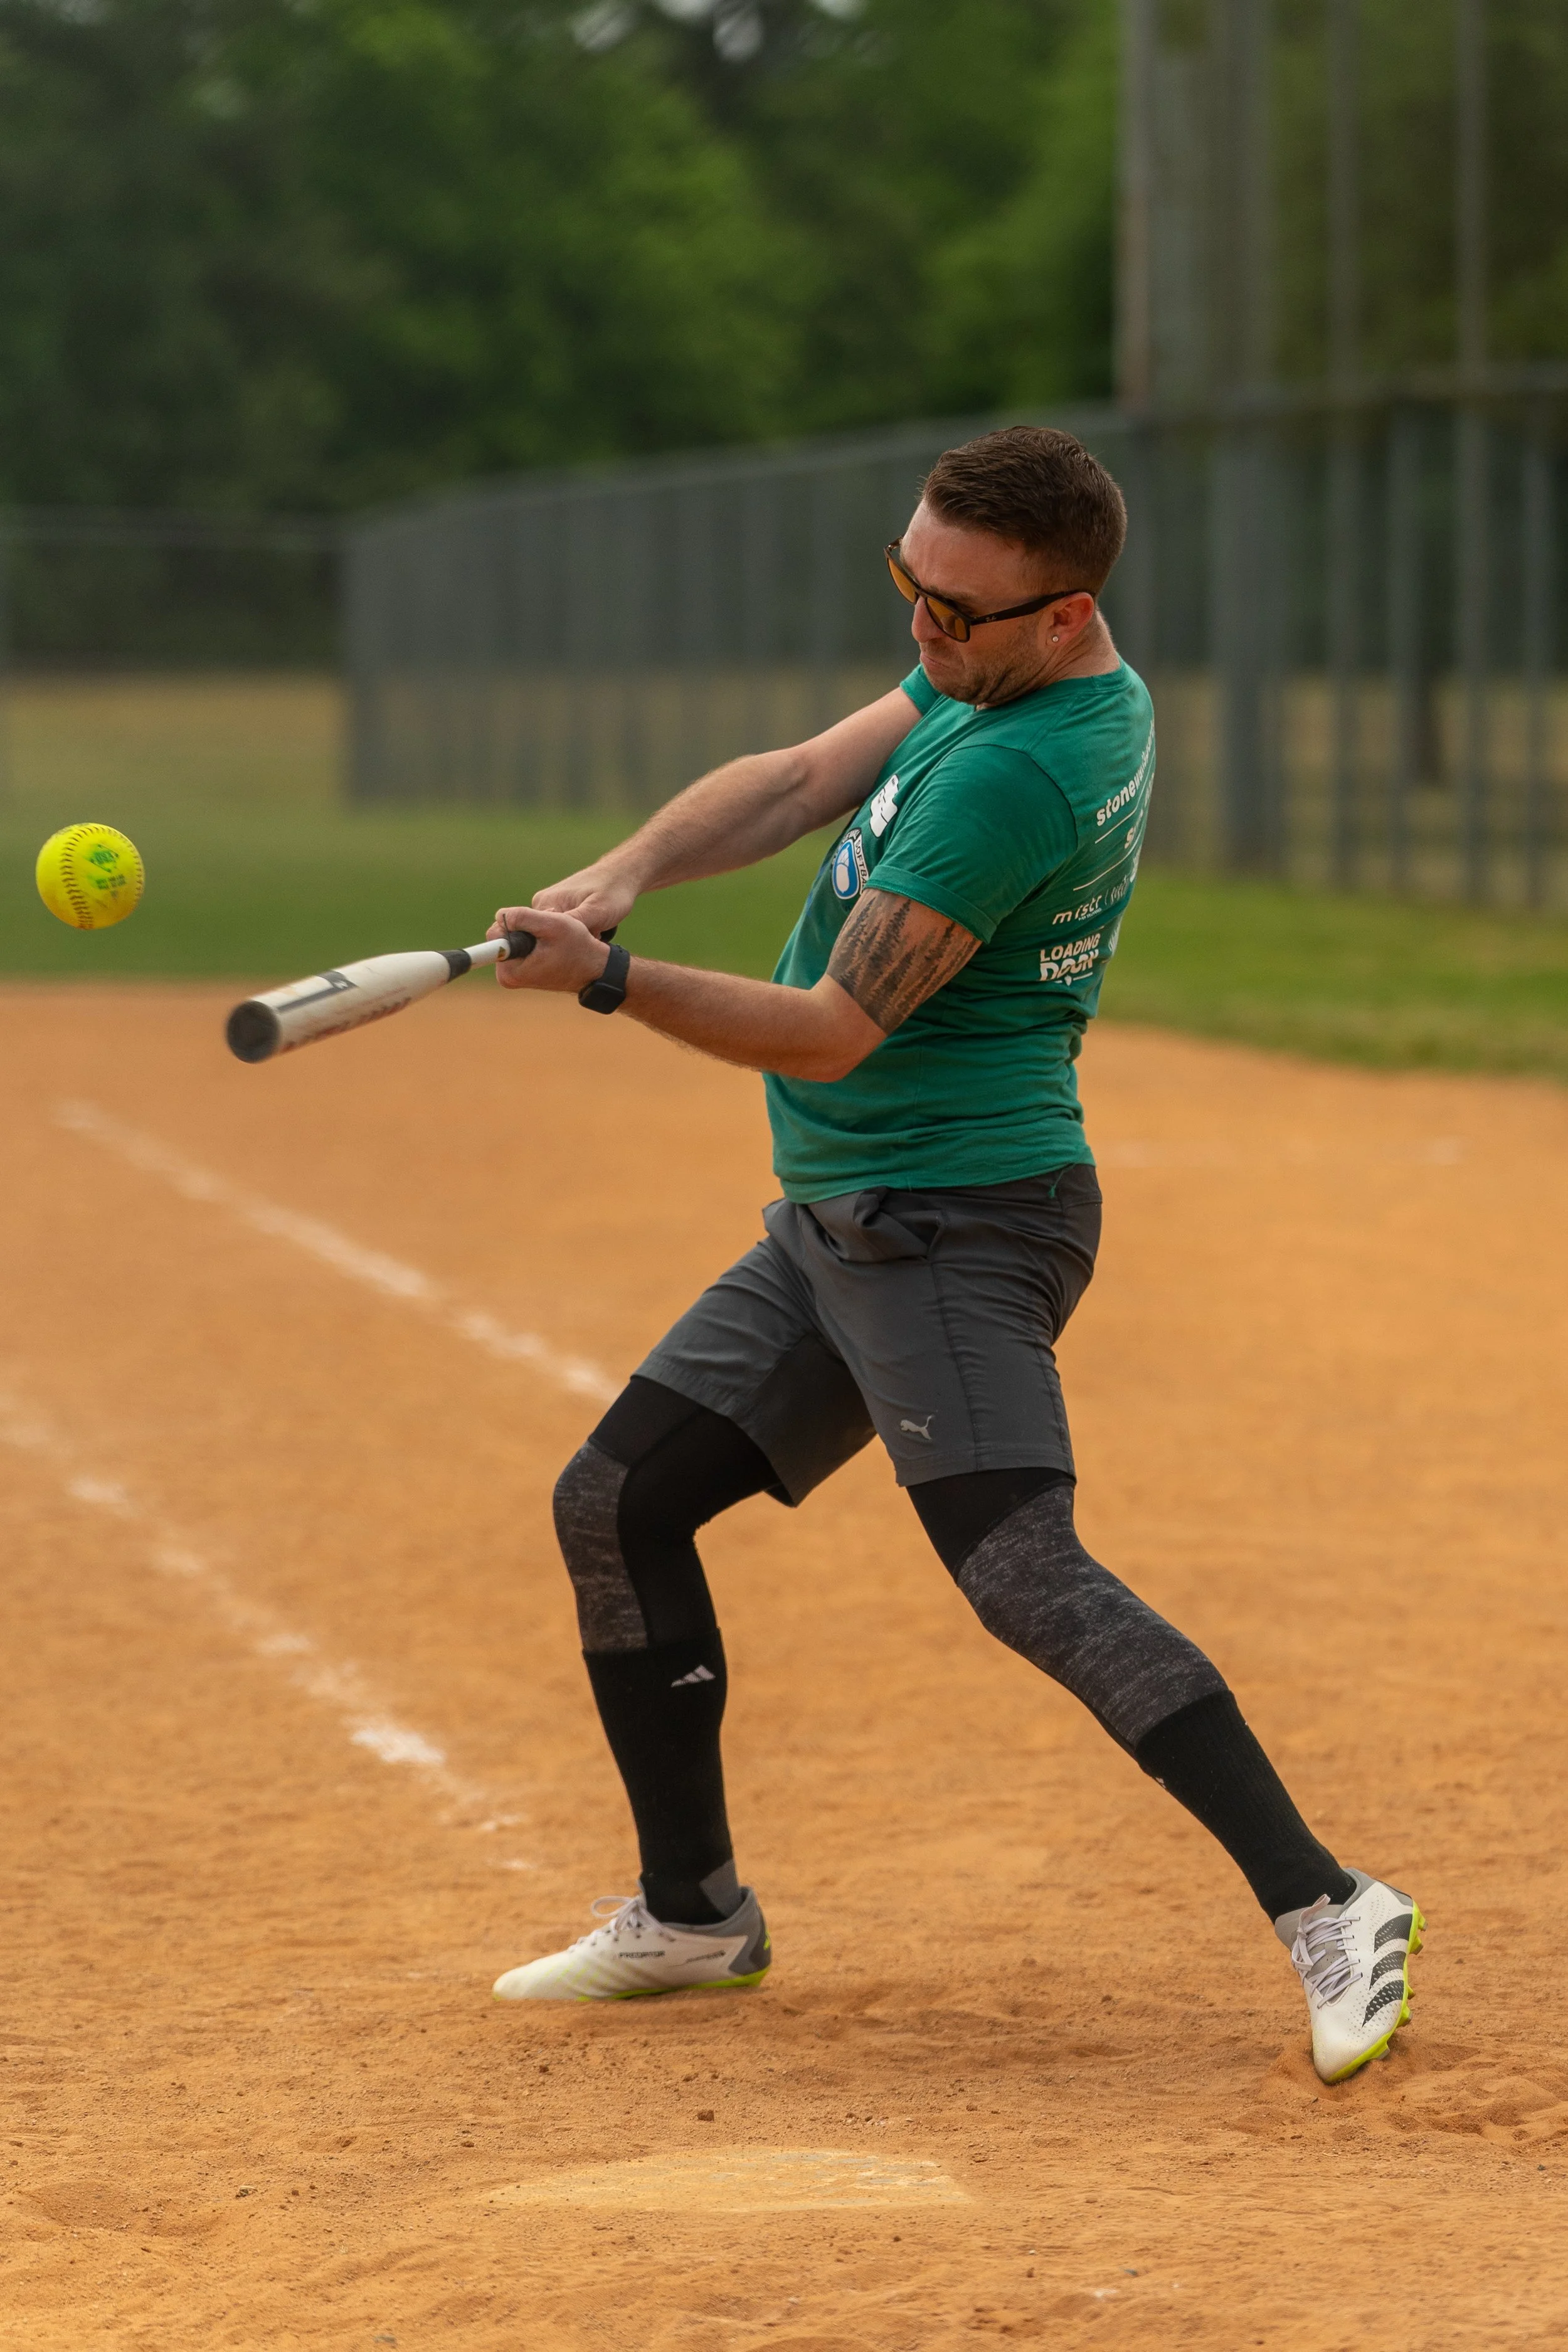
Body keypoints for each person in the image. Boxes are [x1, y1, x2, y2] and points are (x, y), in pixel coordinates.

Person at [484, 425, 1422, 2085]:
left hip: (953, 1221)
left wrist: (610, 982)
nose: (921, 633)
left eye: (955, 616)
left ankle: (1331, 1899)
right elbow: (788, 782)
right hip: (846, 1221)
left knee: (1022, 1575)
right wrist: (627, 872)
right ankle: (692, 1909)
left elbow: (836, 1028)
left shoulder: (1021, 768)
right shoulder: (982, 674)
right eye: (907, 593)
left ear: (1063, 615)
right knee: (615, 1502)